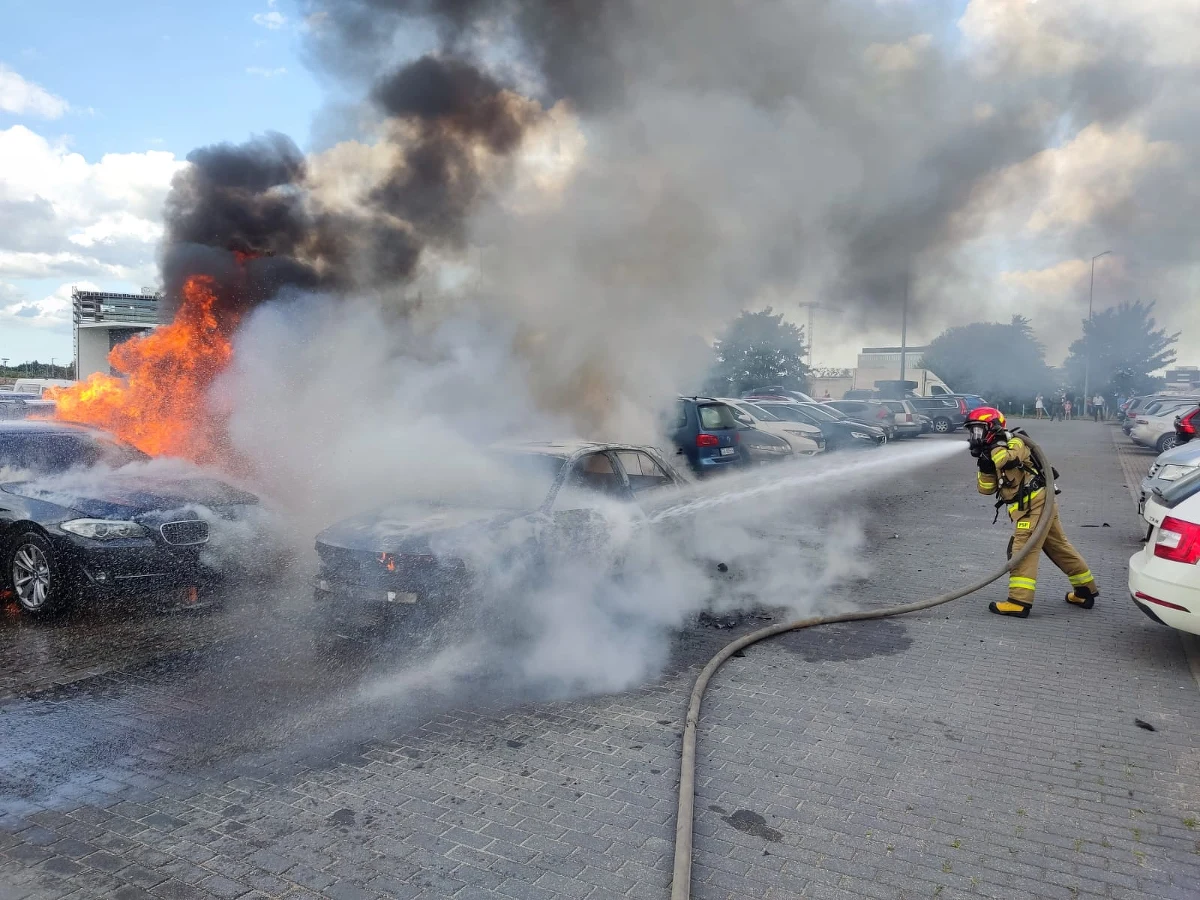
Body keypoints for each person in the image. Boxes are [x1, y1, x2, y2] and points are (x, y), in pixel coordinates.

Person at [968, 407, 1099, 618]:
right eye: (972, 432)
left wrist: (994, 447)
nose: (975, 437)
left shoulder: (1015, 442)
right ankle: (1085, 591)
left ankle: (1018, 602)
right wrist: (984, 466)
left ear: (993, 427)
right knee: (1059, 547)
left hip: (1034, 506)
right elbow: (986, 489)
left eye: (978, 430)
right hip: (1034, 506)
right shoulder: (993, 450)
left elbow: (1006, 460)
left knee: (1022, 550)